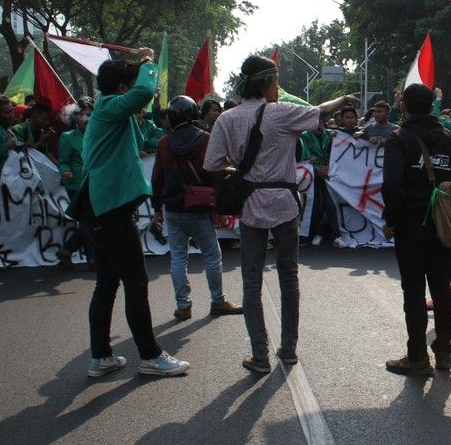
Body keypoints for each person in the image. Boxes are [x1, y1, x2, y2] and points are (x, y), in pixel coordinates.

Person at [204, 55, 358, 374]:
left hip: (251, 206)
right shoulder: (281, 113)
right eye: (276, 82)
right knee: (289, 276)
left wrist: (247, 173)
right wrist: (343, 98)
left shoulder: (226, 119)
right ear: (268, 84)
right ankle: (288, 348)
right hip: (286, 204)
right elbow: (320, 111)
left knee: (251, 280)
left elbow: (212, 167)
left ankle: (259, 355)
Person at [72, 49, 190, 378]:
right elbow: (143, 92)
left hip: (98, 210)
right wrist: (149, 62)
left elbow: (142, 118)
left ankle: (101, 357)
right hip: (108, 213)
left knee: (107, 284)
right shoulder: (109, 106)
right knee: (136, 284)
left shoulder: (110, 113)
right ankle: (151, 356)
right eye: (133, 83)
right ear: (123, 88)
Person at [381, 84, 451, 375]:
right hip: (444, 227)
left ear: (404, 107)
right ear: (432, 105)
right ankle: (444, 352)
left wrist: (391, 220)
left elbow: (392, 187)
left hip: (411, 226)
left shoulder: (399, 139)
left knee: (414, 292)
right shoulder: (450, 138)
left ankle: (418, 357)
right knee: (442, 289)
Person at [152, 95, 242, 321]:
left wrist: (156, 208)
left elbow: (156, 179)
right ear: (194, 113)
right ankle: (217, 301)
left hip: (173, 210)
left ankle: (183, 306)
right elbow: (215, 175)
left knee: (178, 258)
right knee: (212, 255)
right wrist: (218, 209)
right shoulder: (205, 139)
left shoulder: (164, 143)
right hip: (200, 208)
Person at [57, 98, 94, 270]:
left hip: (94, 184)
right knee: (88, 222)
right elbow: (63, 161)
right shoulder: (67, 137)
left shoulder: (97, 136)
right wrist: (65, 171)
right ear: (75, 118)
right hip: (76, 186)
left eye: (90, 114)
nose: (87, 118)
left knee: (89, 222)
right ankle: (91, 258)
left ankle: (67, 250)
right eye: (83, 115)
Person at [300, 122, 346, 248]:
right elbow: (306, 155)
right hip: (313, 176)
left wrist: (328, 168)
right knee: (316, 205)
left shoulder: (331, 134)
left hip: (331, 175)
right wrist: (317, 168)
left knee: (330, 205)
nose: (318, 122)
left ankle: (335, 235)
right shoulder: (305, 135)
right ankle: (317, 234)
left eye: (321, 119)